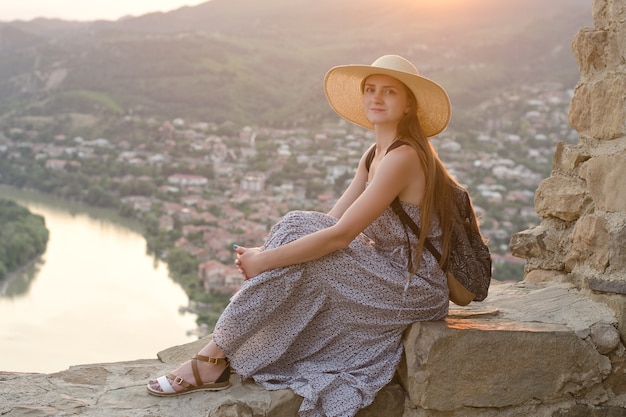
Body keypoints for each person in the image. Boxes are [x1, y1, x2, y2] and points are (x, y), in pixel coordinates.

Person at [147, 54, 461, 417]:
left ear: (408, 105)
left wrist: (263, 260)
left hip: (413, 286)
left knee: (298, 226)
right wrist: (273, 250)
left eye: (389, 91)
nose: (376, 97)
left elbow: (339, 236)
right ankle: (220, 353)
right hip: (385, 273)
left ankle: (213, 356)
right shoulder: (375, 154)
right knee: (299, 226)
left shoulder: (403, 158)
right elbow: (327, 221)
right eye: (370, 89)